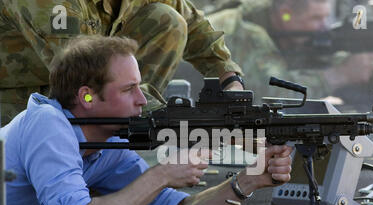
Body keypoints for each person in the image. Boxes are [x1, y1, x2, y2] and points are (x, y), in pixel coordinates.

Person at [2, 35, 293, 205]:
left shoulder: (109, 144)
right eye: (129, 89)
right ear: (86, 97)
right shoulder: (47, 124)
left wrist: (248, 180)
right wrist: (162, 174)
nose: (142, 100)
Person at [0, 0, 244, 126]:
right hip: (18, 106)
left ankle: (119, 134)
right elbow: (80, 70)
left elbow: (193, 24)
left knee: (167, 19)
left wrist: (229, 79)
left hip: (84, 91)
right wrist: (165, 115)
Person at [207, 0, 373, 101]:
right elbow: (271, 94)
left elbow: (355, 72)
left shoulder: (298, 34)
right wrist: (340, 75)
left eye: (326, 17)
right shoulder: (241, 31)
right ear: (286, 13)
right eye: (316, 18)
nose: (324, 26)